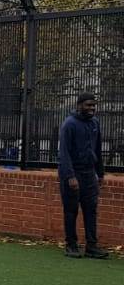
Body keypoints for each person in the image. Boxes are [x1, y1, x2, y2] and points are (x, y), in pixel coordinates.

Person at [58, 92, 108, 259]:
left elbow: (97, 149)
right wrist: (70, 176)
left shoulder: (95, 123)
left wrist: (100, 173)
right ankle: (71, 245)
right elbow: (64, 153)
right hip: (73, 173)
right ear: (79, 105)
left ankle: (91, 246)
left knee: (91, 210)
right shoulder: (69, 124)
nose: (92, 108)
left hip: (89, 174)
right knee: (71, 210)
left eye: (93, 105)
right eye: (88, 105)